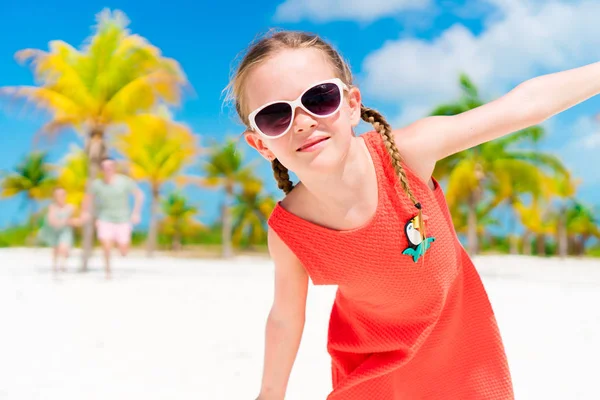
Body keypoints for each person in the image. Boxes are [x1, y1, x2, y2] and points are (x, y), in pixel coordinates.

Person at [225, 30, 600, 400]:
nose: (303, 121)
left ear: (352, 105)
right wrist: (269, 393)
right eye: (276, 116)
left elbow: (526, 104)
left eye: (320, 98)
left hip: (463, 351)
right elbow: (286, 317)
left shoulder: (407, 154)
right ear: (261, 143)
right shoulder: (291, 230)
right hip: (371, 370)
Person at [83, 157, 144, 280]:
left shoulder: (125, 181)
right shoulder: (97, 184)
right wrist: (85, 212)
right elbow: (87, 198)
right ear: (101, 169)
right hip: (104, 218)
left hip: (123, 219)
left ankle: (121, 242)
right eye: (104, 167)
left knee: (123, 251)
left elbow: (139, 195)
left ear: (115, 168)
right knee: (106, 245)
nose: (107, 169)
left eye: (110, 167)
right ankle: (108, 272)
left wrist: (136, 213)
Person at [38, 187, 86, 275]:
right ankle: (55, 266)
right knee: (56, 249)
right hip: (54, 231)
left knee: (63, 247)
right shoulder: (52, 207)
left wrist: (80, 217)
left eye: (62, 194)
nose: (60, 197)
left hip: (66, 231)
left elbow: (79, 219)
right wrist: (66, 222)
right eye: (58, 195)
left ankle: (63, 266)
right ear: (55, 196)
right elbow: (51, 220)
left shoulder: (71, 207)